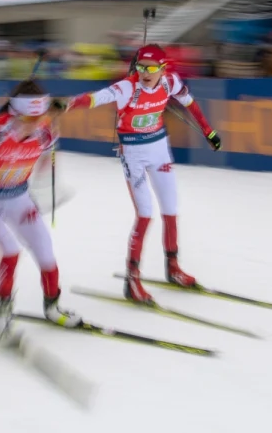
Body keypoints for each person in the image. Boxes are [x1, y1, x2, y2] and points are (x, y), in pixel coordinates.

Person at [56, 44, 221, 303]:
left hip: (160, 150)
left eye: (152, 68)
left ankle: (173, 268)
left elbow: (191, 104)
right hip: (134, 155)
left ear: (163, 68)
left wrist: (209, 132)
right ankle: (132, 280)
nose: (145, 72)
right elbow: (95, 98)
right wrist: (68, 104)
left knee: (170, 209)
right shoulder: (127, 88)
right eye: (141, 67)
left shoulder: (170, 82)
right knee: (145, 215)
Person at [0, 79, 82, 336]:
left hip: (20, 198)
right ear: (16, 113)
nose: (37, 123)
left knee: (45, 251)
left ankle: (53, 306)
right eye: (31, 119)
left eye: (41, 117)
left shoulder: (45, 132)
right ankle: (4, 310)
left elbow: (45, 157)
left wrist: (46, 186)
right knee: (10, 252)